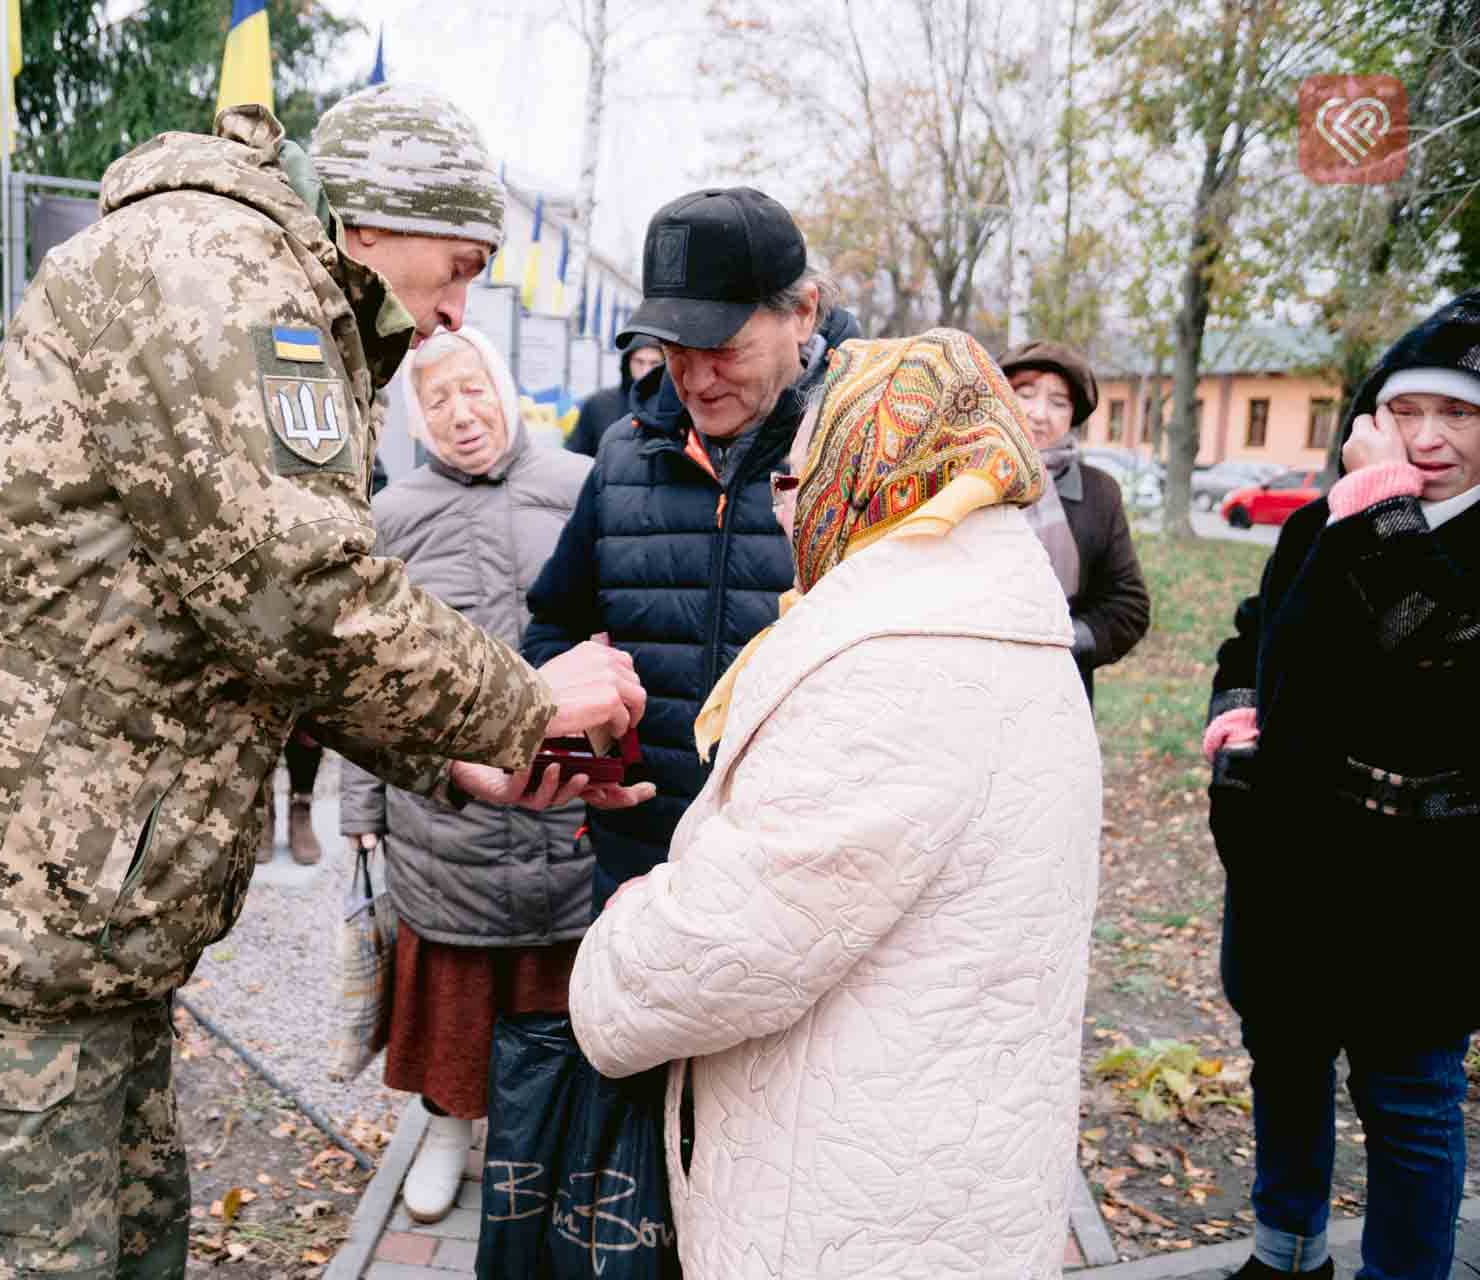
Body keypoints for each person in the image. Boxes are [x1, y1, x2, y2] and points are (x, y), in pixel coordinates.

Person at [0, 87, 649, 1279]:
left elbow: (224, 613)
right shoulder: (219, 272)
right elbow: (294, 587)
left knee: (131, 1239)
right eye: (457, 265)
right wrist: (522, 703)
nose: (458, 306)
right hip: (2, 884)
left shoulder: (246, 270)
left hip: (72, 889)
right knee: (17, 1253)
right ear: (371, 222)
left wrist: (456, 754)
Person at [569, 329, 1101, 1279]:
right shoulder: (990, 616)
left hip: (854, 1203)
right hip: (936, 1167)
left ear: (879, 471)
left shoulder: (899, 665)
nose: (784, 500)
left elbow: (728, 945)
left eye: (805, 471)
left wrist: (624, 934)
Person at [1203, 292, 1480, 1280]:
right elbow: (1250, 625)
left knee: (1408, 1100)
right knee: (1286, 1067)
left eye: (1463, 414)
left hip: (1423, 892)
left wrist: (1379, 506)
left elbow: (1436, 635)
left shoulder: (1377, 512)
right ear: (1375, 417)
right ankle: (1286, 1256)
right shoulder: (1324, 517)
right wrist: (1235, 708)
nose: (1433, 437)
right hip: (1288, 871)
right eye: (1410, 412)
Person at [524, 187, 861, 910]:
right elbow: (553, 627)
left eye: (723, 350)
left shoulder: (868, 457)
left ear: (803, 312)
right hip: (639, 875)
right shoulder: (623, 454)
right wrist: (579, 752)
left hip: (804, 883)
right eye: (677, 351)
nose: (697, 380)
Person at [339, 325, 594, 1221]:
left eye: (474, 389)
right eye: (438, 399)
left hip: (571, 799)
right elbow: (364, 679)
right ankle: (447, 1129)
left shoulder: (579, 485)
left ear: (506, 387)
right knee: (453, 990)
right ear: (418, 416)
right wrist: (360, 804)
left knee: (561, 987)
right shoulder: (390, 516)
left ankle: (557, 1141)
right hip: (443, 812)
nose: (461, 414)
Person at [1000, 340, 1151, 701]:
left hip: (1057, 693)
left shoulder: (1099, 492)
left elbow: (1128, 606)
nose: (1039, 413)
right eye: (1026, 393)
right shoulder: (960, 477)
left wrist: (1059, 641)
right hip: (964, 688)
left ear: (1072, 417)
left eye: (1058, 402)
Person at [264, 457, 390, 869]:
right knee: (258, 711)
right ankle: (262, 809)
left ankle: (301, 807)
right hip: (258, 584)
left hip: (321, 588)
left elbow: (375, 484)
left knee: (309, 718)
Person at [566, 333, 663, 456]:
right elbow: (575, 455)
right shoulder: (598, 404)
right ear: (627, 363)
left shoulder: (674, 409)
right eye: (639, 362)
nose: (646, 371)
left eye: (654, 363)